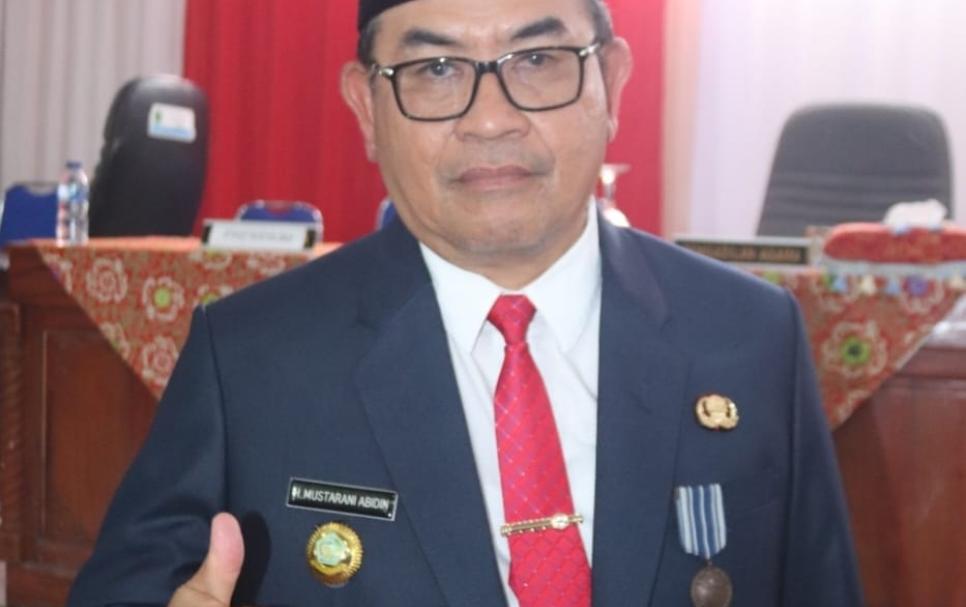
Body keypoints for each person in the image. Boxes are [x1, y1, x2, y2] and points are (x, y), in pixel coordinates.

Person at [68, 0, 863, 605]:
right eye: (436, 69)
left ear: (613, 82)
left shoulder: (750, 337)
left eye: (539, 58)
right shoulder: (250, 357)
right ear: (365, 107)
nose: (491, 119)